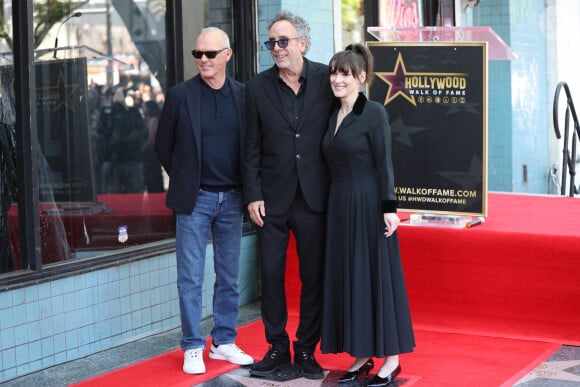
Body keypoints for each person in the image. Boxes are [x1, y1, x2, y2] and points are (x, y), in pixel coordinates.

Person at [155, 27, 253, 375]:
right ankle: (192, 345)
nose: (203, 60)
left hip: (232, 198)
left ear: (227, 55)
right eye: (198, 54)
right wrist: (185, 178)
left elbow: (252, 148)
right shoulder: (181, 95)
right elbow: (162, 145)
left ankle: (224, 341)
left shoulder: (244, 95)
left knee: (229, 276)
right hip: (194, 199)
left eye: (210, 54)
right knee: (190, 277)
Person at [243, 10, 334, 380]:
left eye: (283, 41)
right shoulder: (257, 87)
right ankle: (277, 347)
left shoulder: (328, 79)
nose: (276, 49)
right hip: (272, 199)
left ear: (303, 43)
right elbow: (249, 147)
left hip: (315, 198)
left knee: (313, 276)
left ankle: (307, 350)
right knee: (271, 275)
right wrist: (252, 194)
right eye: (271, 43)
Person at [320, 43, 415, 387]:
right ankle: (362, 353)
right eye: (334, 72)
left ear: (361, 77)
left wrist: (390, 208)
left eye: (344, 73)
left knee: (375, 278)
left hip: (368, 206)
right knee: (351, 278)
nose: (337, 79)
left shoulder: (373, 112)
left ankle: (392, 358)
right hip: (339, 208)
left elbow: (384, 162)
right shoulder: (333, 114)